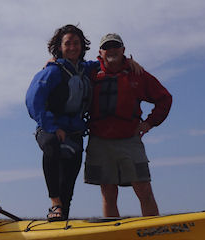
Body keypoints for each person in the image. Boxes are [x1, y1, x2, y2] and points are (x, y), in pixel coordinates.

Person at [84, 33, 172, 217]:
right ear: (100, 52)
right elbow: (68, 65)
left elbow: (165, 98)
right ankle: (114, 235)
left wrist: (149, 123)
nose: (112, 50)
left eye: (116, 46)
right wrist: (52, 61)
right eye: (107, 47)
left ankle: (153, 232)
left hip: (129, 140)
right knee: (108, 193)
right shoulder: (91, 72)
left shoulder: (137, 74)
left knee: (144, 189)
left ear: (123, 50)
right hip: (100, 140)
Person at [25, 24, 94, 221]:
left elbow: (105, 62)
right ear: (60, 47)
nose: (72, 47)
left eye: (76, 43)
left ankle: (61, 222)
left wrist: (129, 63)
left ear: (82, 46)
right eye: (68, 43)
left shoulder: (85, 69)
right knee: (52, 146)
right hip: (49, 129)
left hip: (74, 132)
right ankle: (55, 203)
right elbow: (33, 100)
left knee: (69, 184)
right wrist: (53, 127)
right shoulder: (53, 71)